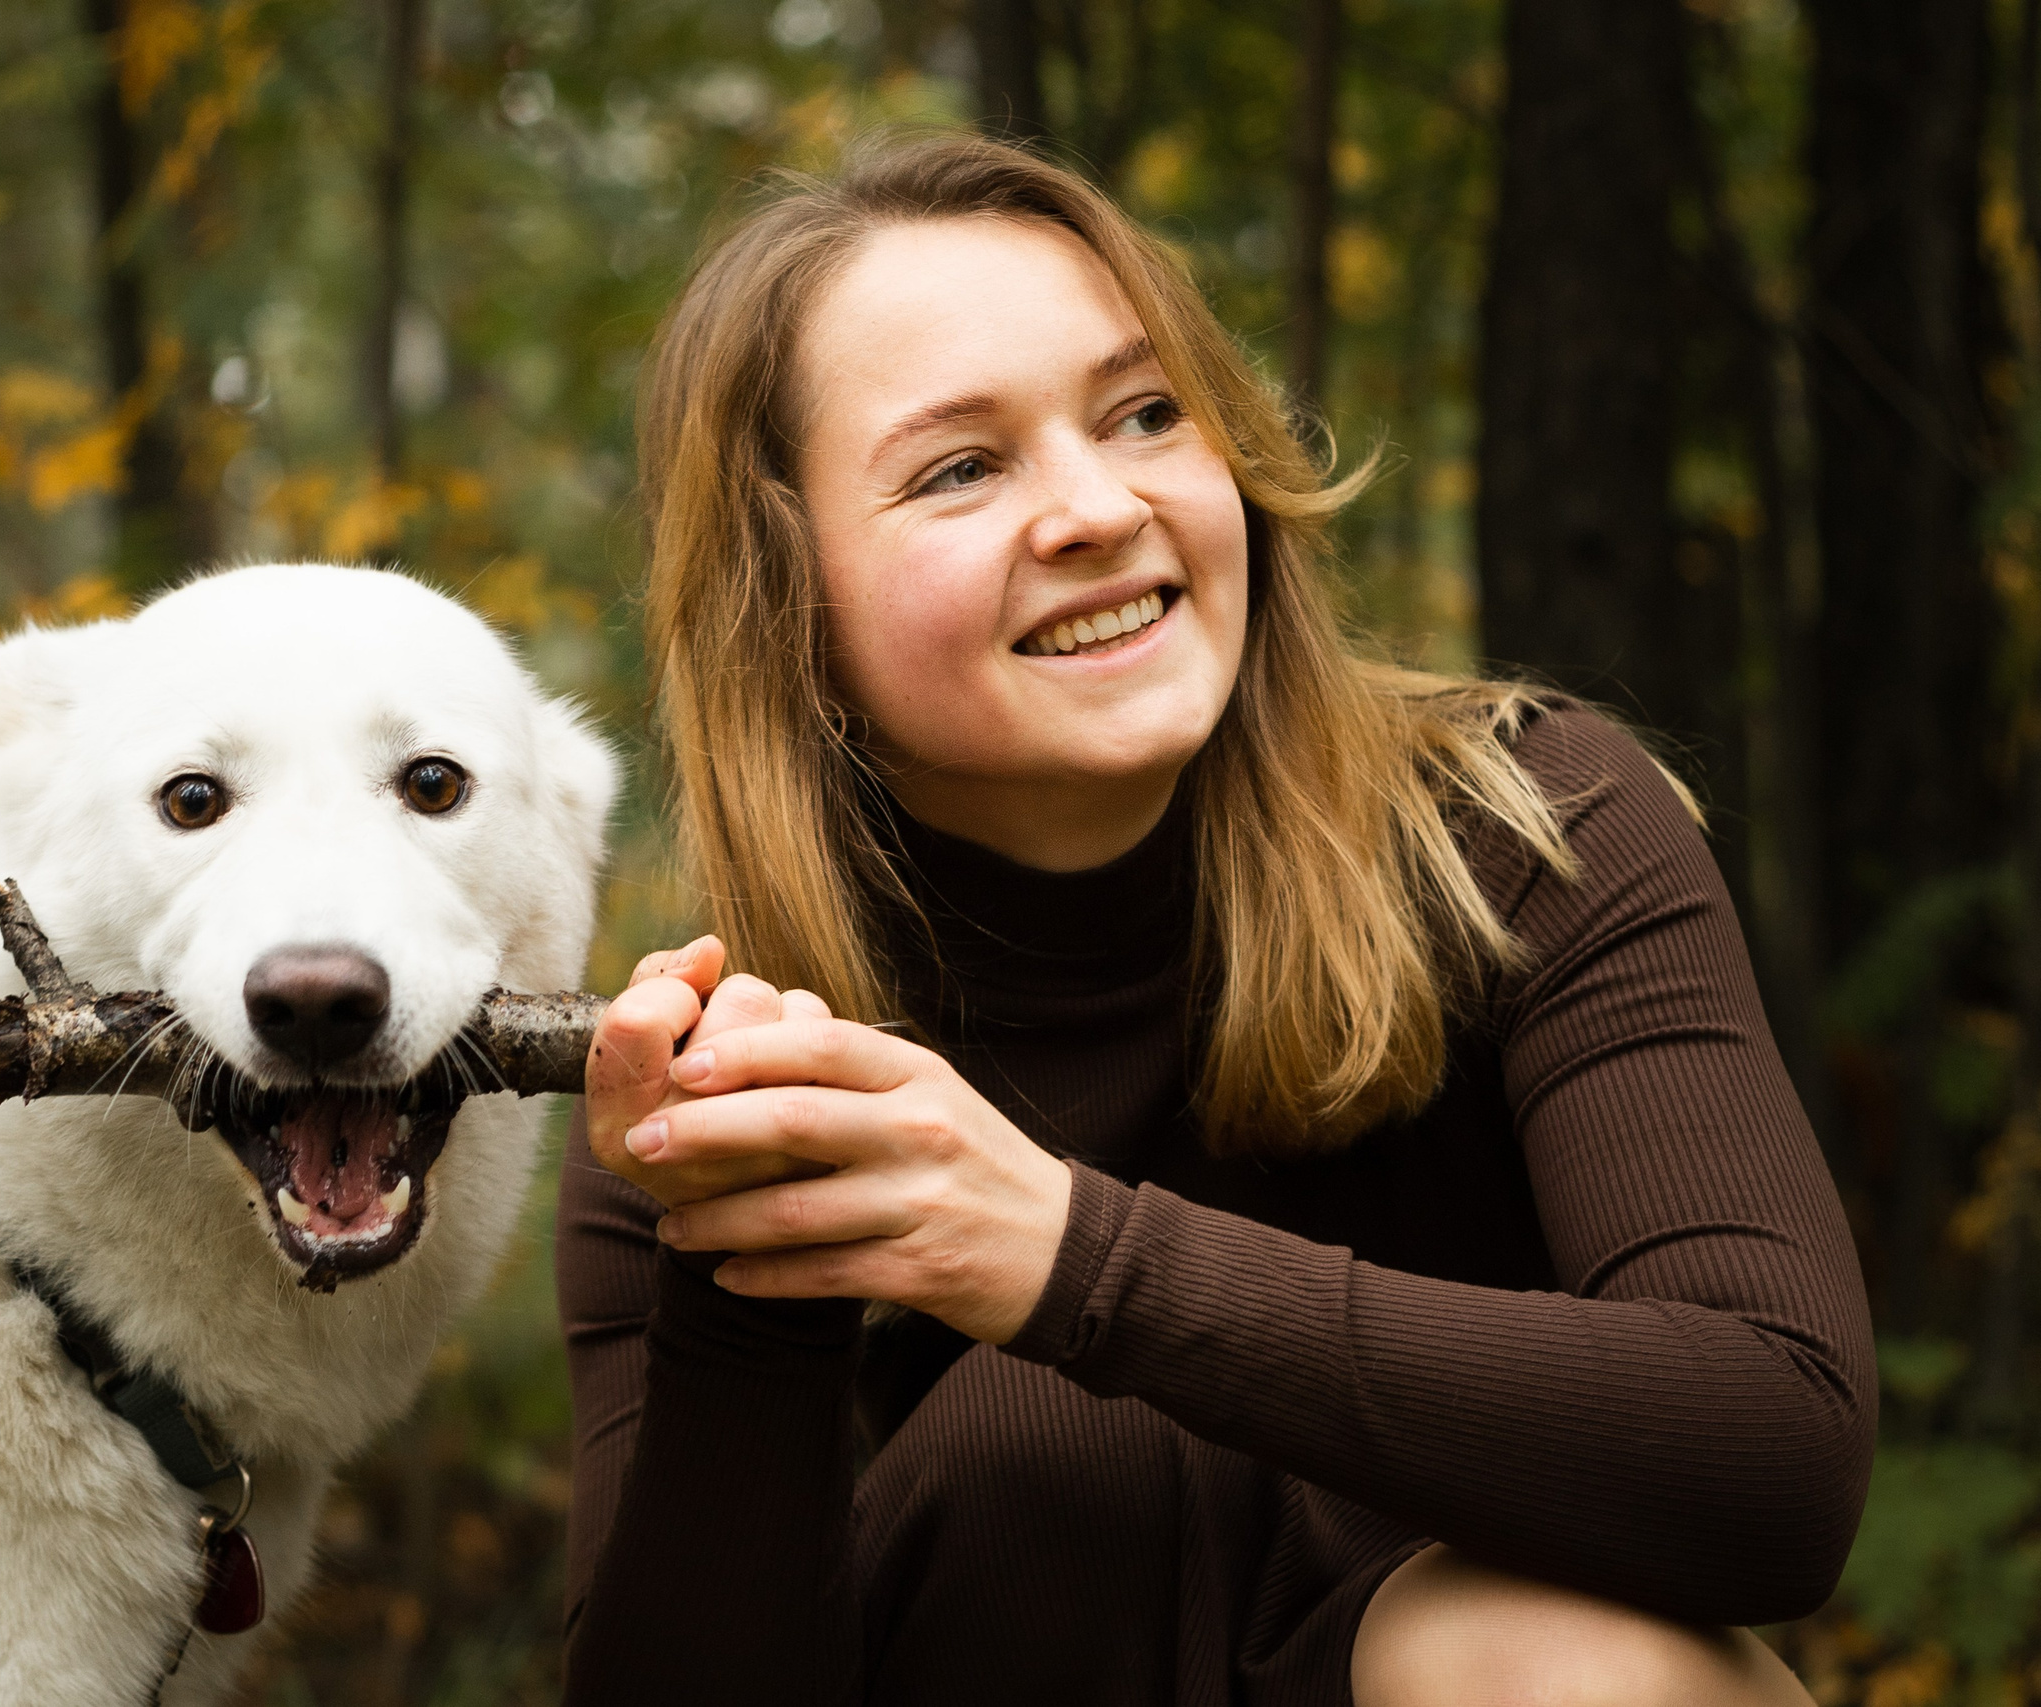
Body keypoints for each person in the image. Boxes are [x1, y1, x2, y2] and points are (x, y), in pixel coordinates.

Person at [557, 132, 1867, 1706]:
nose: (1101, 507)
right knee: (1030, 1467)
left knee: (1584, 1665)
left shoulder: (1527, 830)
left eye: (1147, 412)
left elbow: (1776, 1456)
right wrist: (747, 1263)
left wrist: (1066, 1260)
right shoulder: (733, 1074)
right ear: (790, 600)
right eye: (963, 467)